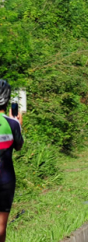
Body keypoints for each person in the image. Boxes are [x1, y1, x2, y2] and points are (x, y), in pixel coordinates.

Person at [0, 80, 24, 242]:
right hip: (4, 179)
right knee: (1, 227)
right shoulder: (13, 123)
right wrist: (18, 124)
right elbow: (19, 146)